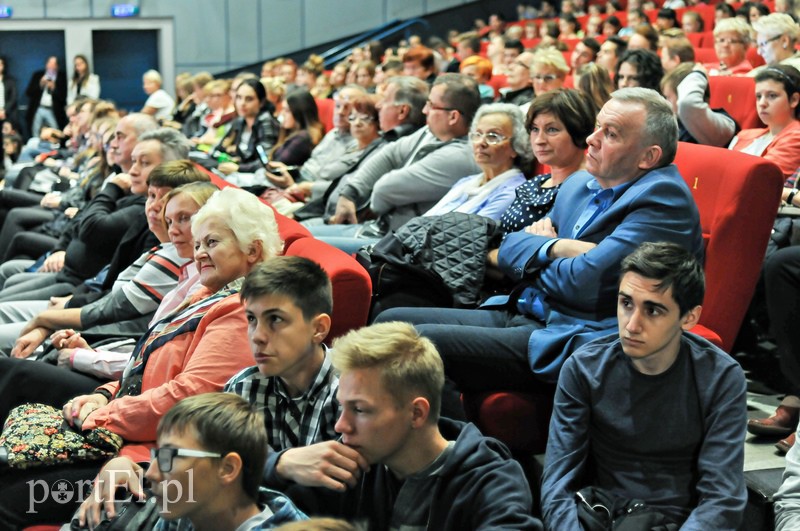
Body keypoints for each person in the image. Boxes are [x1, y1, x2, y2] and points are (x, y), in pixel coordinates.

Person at [376, 88, 703, 414]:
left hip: (571, 334)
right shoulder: (579, 183)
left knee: (416, 344)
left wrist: (537, 257)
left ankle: (457, 446)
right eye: (597, 127)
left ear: (648, 157)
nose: (592, 139)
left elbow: (584, 284)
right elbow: (509, 247)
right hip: (526, 311)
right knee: (389, 321)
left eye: (611, 134)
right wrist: (557, 247)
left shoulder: (662, 200)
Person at [0, 187, 282, 527]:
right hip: (125, 433)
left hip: (149, 461)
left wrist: (105, 414)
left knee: (9, 494)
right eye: (198, 244)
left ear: (253, 250)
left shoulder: (241, 311)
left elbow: (188, 399)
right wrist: (103, 394)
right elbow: (145, 366)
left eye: (212, 243)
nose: (199, 254)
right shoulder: (206, 294)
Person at [76, 255, 340, 529]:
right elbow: (205, 462)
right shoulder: (244, 384)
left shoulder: (348, 397)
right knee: (105, 508)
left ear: (318, 329)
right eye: (252, 319)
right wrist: (127, 464)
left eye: (275, 319)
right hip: (227, 513)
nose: (257, 335)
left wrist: (269, 465)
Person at [540, 242, 747, 529]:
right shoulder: (583, 368)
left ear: (689, 317)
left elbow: (722, 498)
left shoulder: (721, 378)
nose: (631, 325)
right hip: (602, 515)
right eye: (626, 304)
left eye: (653, 310)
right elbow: (557, 484)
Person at [264, 321, 543, 530]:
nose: (341, 426)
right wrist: (280, 464)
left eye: (359, 410)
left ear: (416, 413)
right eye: (342, 407)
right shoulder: (351, 464)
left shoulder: (491, 482)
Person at [79, 393, 307, 530]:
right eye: (160, 455)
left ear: (227, 469)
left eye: (172, 456)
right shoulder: (190, 513)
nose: (151, 474)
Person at [310, 73, 481, 253]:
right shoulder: (429, 132)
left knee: (306, 246)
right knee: (300, 237)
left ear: (453, 117)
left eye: (431, 105)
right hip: (379, 231)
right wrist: (351, 193)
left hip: (400, 248)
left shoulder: (461, 156)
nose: (425, 110)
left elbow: (385, 189)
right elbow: (389, 155)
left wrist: (373, 207)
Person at [729, 65, 800, 181]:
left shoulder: (796, 137)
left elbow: (758, 178)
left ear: (794, 100)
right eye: (758, 96)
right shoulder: (744, 135)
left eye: (772, 96)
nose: (762, 103)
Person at [214, 78, 280, 176]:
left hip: (254, 175)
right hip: (238, 170)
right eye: (239, 97)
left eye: (249, 99)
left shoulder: (266, 123)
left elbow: (266, 161)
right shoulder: (240, 120)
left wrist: (239, 168)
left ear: (261, 102)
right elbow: (219, 149)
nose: (242, 103)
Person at [661, 64, 738, 147]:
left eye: (668, 97)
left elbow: (687, 103)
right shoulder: (675, 122)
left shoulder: (724, 124)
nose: (666, 103)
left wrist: (699, 73)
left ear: (681, 95)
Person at [25, 55, 68, 137]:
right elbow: (29, 93)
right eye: (49, 63)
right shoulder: (38, 75)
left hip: (53, 110)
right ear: (46, 65)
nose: (51, 66)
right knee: (35, 132)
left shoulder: (62, 77)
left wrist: (54, 88)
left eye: (54, 64)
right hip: (38, 108)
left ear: (57, 66)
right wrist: (40, 84)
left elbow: (64, 97)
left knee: (56, 131)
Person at [0, 56, 19, 134]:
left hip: (7, 113)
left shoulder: (10, 80)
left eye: (0, 64)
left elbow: (13, 97)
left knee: (8, 135)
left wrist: (4, 110)